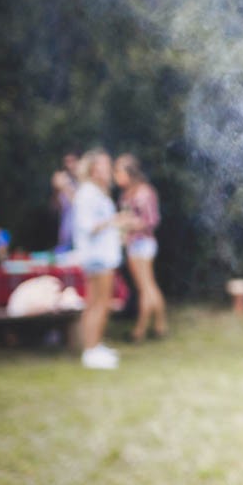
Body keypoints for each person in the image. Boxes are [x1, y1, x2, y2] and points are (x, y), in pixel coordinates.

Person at [71, 148, 124, 370]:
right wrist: (115, 220)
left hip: (102, 256)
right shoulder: (87, 194)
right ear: (93, 169)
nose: (109, 169)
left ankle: (93, 345)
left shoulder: (97, 192)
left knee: (95, 303)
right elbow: (88, 227)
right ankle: (91, 352)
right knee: (101, 304)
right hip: (97, 258)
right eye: (104, 165)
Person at [114, 153, 168, 342]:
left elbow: (152, 220)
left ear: (129, 173)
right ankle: (160, 326)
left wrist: (129, 224)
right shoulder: (126, 193)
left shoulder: (145, 192)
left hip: (143, 244)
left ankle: (140, 330)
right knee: (148, 285)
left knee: (146, 287)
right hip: (132, 244)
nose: (116, 176)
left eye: (118, 172)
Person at [52, 152, 80, 253]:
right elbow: (55, 208)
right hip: (66, 235)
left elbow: (78, 205)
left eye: (72, 161)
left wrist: (64, 187)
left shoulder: (84, 182)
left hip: (79, 235)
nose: (70, 165)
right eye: (67, 162)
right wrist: (56, 190)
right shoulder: (65, 180)